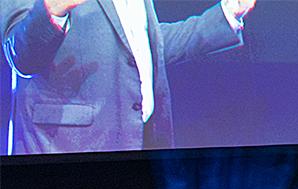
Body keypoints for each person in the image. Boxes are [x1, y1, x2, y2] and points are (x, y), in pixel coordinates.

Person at [1, 0, 256, 155]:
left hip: (139, 141)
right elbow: (20, 55)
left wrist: (226, 15)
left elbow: (144, 46)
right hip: (66, 150)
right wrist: (51, 12)